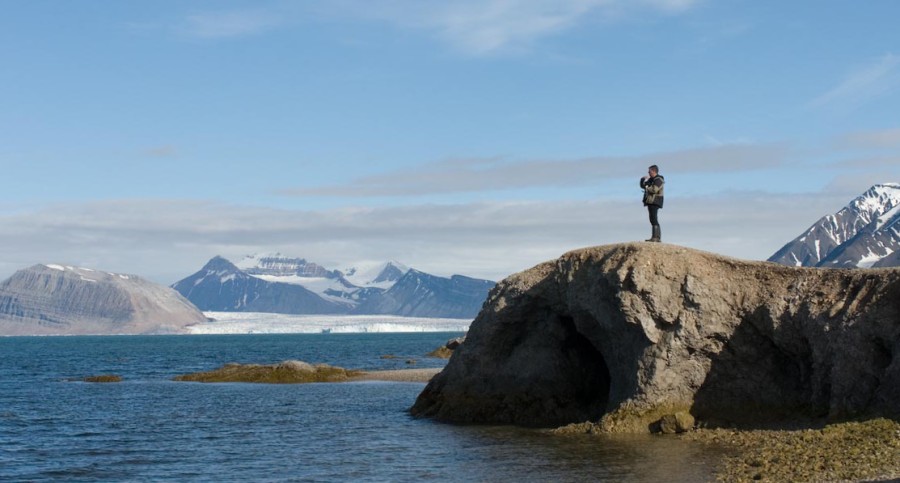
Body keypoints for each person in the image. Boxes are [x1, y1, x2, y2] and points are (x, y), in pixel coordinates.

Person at [640, 165, 665, 242]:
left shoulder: (659, 179)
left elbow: (654, 189)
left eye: (649, 171)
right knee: (652, 218)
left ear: (654, 171)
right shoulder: (651, 179)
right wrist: (642, 180)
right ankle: (655, 237)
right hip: (650, 201)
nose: (648, 172)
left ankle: (656, 237)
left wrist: (647, 187)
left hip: (655, 201)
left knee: (653, 218)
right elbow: (643, 186)